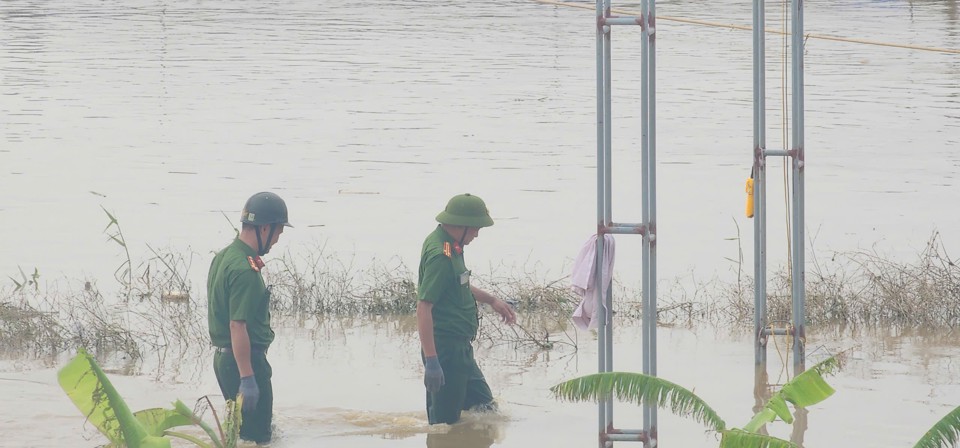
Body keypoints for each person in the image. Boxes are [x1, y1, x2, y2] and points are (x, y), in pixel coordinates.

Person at [417, 193, 517, 425]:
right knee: (444, 425)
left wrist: (492, 300)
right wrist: (432, 361)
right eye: (474, 229)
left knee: (487, 410)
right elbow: (424, 307)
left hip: (460, 349)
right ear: (460, 225)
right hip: (446, 352)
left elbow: (456, 283)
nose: (477, 234)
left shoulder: (451, 246)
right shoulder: (441, 255)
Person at [207, 191, 291, 444]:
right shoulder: (245, 270)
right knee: (259, 438)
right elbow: (237, 325)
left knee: (241, 436)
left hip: (225, 361)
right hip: (244, 362)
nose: (277, 240)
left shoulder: (224, 257)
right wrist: (248, 377)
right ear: (265, 228)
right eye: (278, 232)